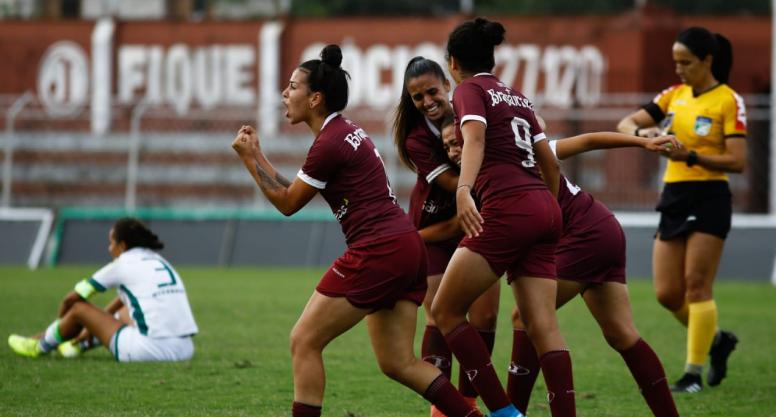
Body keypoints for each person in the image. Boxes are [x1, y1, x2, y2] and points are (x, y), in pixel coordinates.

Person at [231, 44, 483, 417]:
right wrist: (258, 155)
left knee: (304, 340)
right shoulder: (345, 132)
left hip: (378, 249)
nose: (285, 93)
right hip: (405, 246)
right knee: (398, 362)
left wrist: (250, 159)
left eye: (293, 86)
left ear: (315, 98)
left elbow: (287, 203)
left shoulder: (329, 143)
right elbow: (295, 191)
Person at [438, 117, 681, 416]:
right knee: (621, 333)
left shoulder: (519, 157)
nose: (452, 150)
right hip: (601, 229)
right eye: (447, 145)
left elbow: (589, 140)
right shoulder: (487, 170)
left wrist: (644, 142)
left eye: (457, 141)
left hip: (584, 234)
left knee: (526, 318)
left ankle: (514, 412)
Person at [431, 18, 571, 417]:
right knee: (543, 327)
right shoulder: (519, 98)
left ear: (453, 62)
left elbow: (473, 138)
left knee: (445, 311)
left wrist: (463, 189)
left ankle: (504, 413)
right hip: (545, 207)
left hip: (508, 209)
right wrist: (549, 211)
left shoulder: (469, 90)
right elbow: (551, 166)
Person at [617, 26, 744, 393]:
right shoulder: (673, 96)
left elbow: (737, 161)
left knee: (697, 286)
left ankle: (692, 374)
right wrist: (645, 137)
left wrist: (687, 154)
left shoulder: (728, 101)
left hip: (709, 196)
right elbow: (627, 123)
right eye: (675, 62)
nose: (679, 69)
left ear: (707, 60)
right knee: (667, 293)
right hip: (674, 195)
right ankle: (717, 339)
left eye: (685, 62)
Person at [393, 56, 500, 416]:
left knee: (484, 318)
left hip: (476, 223)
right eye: (417, 97)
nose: (427, 102)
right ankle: (443, 411)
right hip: (436, 231)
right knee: (440, 316)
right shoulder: (416, 138)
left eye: (432, 91)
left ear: (448, 86)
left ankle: (467, 401)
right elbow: (456, 187)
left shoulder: (472, 111)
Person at [8, 217, 198, 362]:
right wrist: (94, 325)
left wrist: (60, 331)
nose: (109, 248)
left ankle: (39, 346)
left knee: (78, 310)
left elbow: (71, 301)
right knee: (123, 312)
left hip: (149, 351)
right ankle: (78, 345)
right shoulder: (159, 261)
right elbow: (125, 301)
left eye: (111, 242)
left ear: (122, 246)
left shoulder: (122, 264)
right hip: (185, 349)